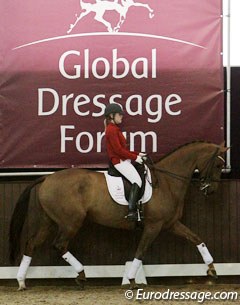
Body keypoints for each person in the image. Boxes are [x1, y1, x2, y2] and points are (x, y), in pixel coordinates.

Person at [104, 103, 146, 221]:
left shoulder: (114, 129)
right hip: (118, 162)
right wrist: (134, 158)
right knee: (137, 180)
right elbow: (118, 150)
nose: (121, 116)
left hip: (122, 159)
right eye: (119, 114)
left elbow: (123, 149)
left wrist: (137, 154)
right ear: (112, 116)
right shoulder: (111, 130)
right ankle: (132, 211)